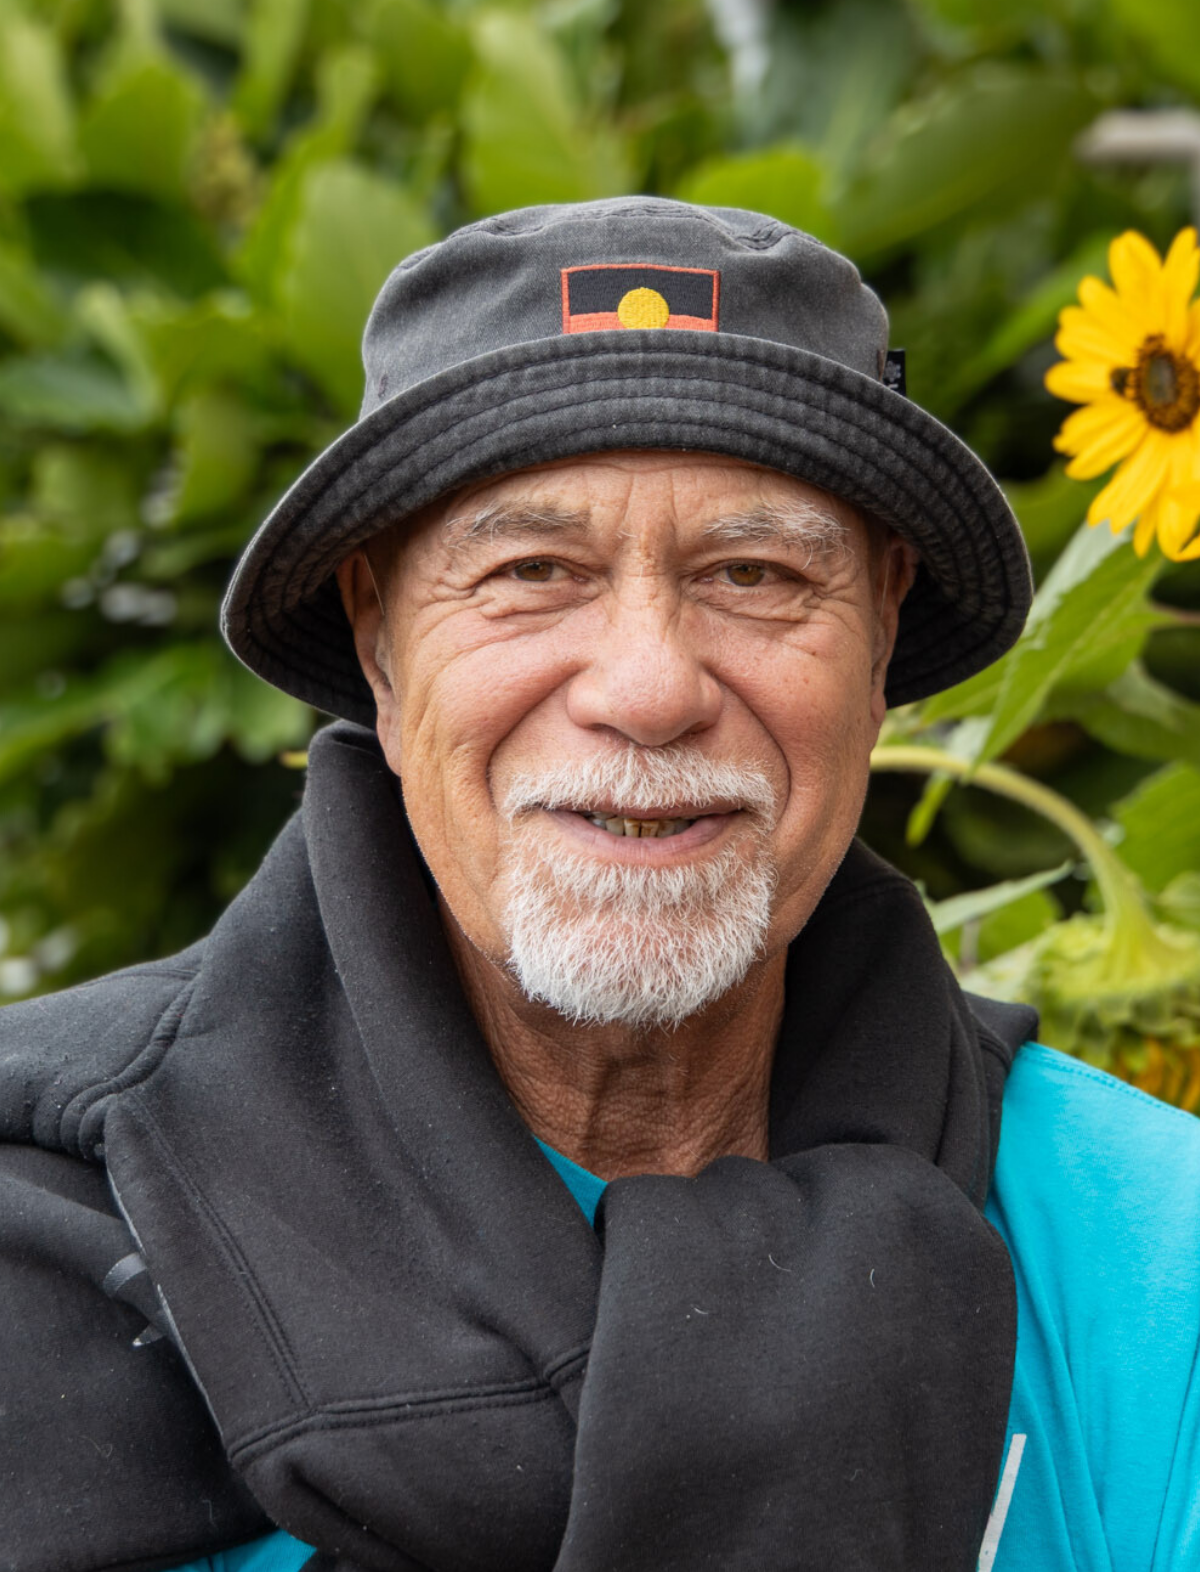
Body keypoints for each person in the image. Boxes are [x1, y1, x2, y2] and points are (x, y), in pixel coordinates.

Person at [2, 198, 1198, 1572]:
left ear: (878, 652)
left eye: (754, 575)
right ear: (382, 653)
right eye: (530, 572)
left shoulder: (1151, 1255)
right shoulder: (50, 1241)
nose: (646, 689)